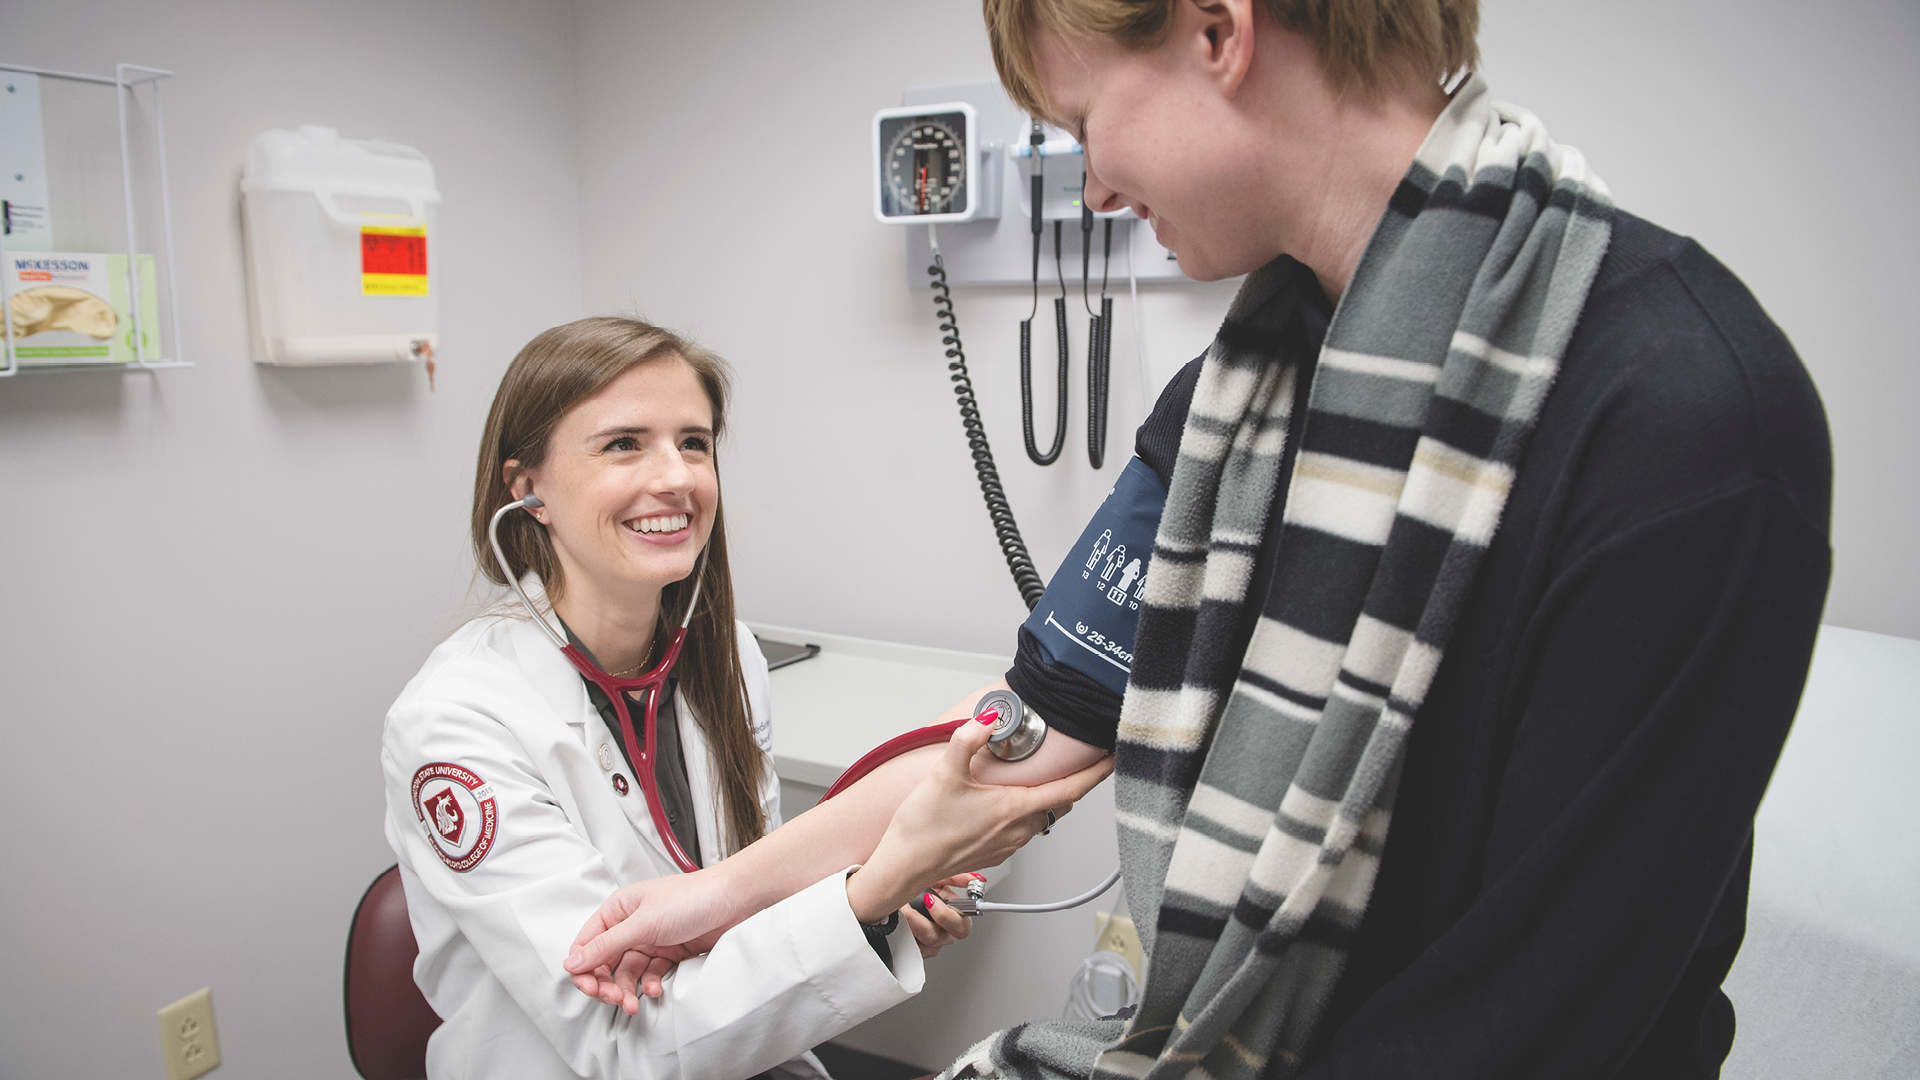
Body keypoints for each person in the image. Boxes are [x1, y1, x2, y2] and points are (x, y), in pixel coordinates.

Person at [569, 1, 1833, 1077]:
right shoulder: (1230, 411)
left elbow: (1548, 1016)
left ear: (1220, 29)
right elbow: (1016, 743)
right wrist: (712, 901)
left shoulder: (1685, 421)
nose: (1094, 185)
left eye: (1080, 124)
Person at [381, 316, 1112, 1080]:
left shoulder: (721, 653)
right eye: (624, 443)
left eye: (694, 442)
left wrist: (879, 909)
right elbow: (621, 1043)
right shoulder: (459, 722)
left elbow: (750, 893)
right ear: (528, 488)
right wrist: (869, 893)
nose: (677, 476)